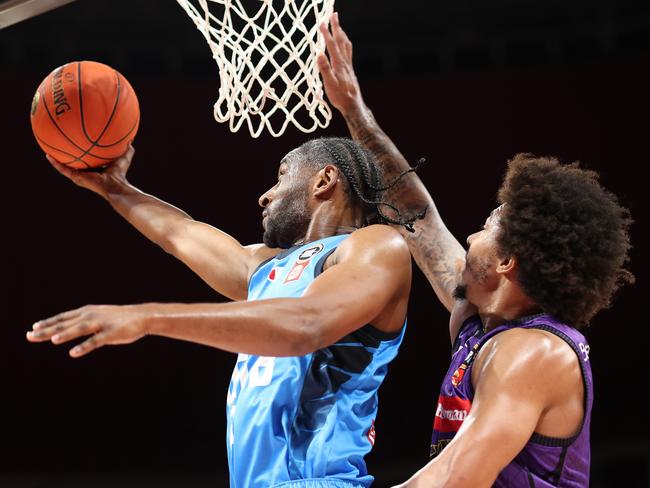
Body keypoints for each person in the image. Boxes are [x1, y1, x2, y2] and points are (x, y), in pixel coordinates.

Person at [318, 13, 634, 487]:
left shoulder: (535, 353)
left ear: (507, 263)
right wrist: (354, 109)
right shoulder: (477, 317)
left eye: (488, 225)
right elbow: (416, 216)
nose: (469, 236)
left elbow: (458, 478)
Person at [27, 137, 419, 488]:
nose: (265, 196)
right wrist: (114, 189)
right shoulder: (264, 267)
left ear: (324, 180)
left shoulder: (376, 246)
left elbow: (307, 324)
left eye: (282, 176)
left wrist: (148, 317)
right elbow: (179, 232)